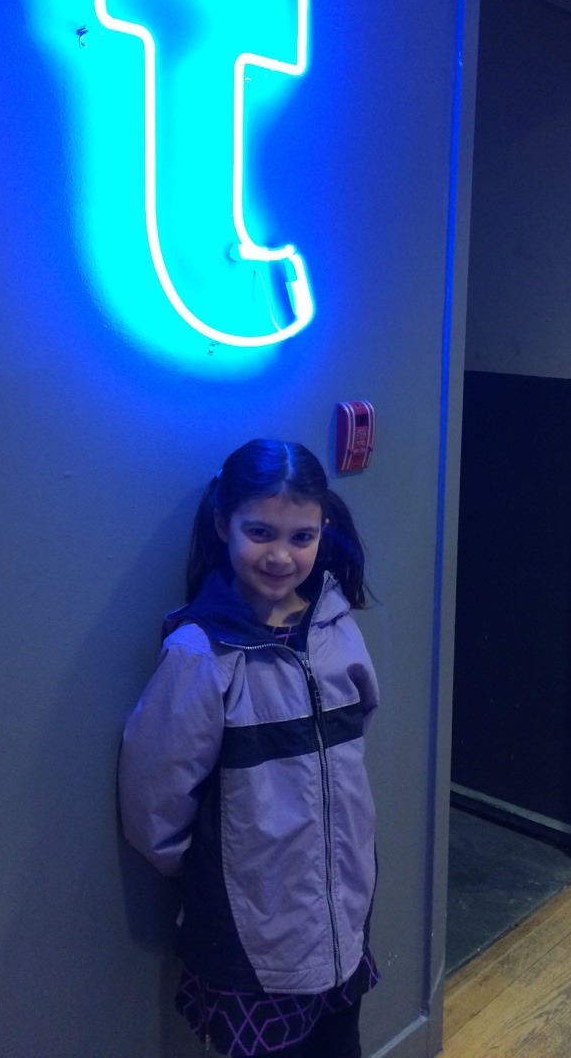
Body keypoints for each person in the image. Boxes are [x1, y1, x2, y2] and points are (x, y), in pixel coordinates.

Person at [118, 438, 379, 1058]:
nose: (281, 556)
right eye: (260, 533)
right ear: (223, 525)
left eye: (301, 537)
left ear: (322, 531)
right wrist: (220, 876)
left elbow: (354, 747)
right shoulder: (200, 654)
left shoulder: (337, 628)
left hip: (342, 914)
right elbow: (155, 803)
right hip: (253, 935)